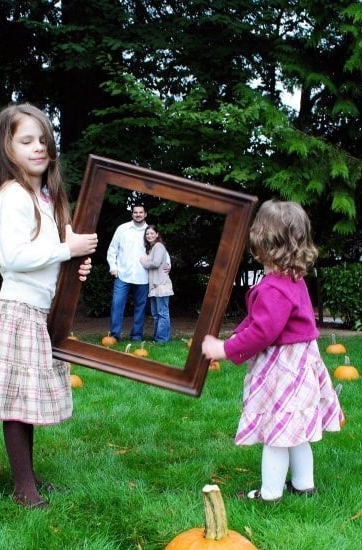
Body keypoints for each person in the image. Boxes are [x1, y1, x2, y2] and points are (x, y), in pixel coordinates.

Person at [0, 103, 97, 509]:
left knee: (28, 399)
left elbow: (47, 256)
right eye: (26, 140)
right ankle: (23, 489)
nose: (38, 148)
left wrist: (72, 265)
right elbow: (14, 256)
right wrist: (66, 247)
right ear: (7, 147)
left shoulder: (44, 197)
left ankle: (28, 476)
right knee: (17, 403)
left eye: (43, 139)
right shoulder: (13, 195)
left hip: (38, 312)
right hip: (18, 310)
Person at [201, 200, 342, 502]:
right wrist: (236, 334)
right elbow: (258, 321)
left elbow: (262, 333)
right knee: (296, 430)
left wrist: (225, 349)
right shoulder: (293, 281)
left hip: (284, 369)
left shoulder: (273, 288)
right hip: (300, 364)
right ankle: (304, 486)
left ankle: (270, 494)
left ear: (262, 243)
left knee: (276, 433)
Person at [106, 204, 150, 340]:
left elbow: (159, 249)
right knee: (117, 304)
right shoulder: (122, 229)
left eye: (141, 212)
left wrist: (167, 264)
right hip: (122, 275)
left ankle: (136, 336)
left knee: (140, 307)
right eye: (135, 212)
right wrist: (113, 267)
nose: (138, 214)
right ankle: (114, 335)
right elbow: (113, 249)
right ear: (132, 214)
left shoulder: (150, 231)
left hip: (143, 276)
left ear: (145, 214)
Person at [139, 224, 174, 343]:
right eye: (147, 234)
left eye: (152, 233)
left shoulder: (159, 246)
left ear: (157, 234)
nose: (149, 235)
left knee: (162, 313)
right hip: (154, 286)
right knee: (156, 314)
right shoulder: (152, 248)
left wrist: (144, 263)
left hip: (161, 285)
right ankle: (158, 338)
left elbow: (156, 263)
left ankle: (162, 340)